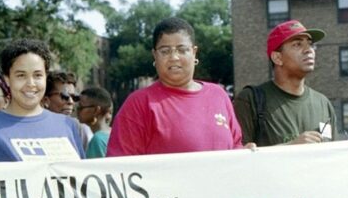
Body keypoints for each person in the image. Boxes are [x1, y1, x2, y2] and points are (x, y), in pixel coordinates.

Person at [106, 17, 243, 156]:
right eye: (165, 51)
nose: (174, 57)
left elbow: (236, 145)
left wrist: (248, 155)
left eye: (182, 50)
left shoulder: (218, 95)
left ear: (194, 52)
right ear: (154, 55)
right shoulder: (139, 104)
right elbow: (121, 167)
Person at [0, 39, 85, 162]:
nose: (30, 84)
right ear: (7, 79)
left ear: (46, 76)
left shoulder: (68, 125)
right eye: (21, 75)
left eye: (37, 75)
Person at [232, 20, 336, 146]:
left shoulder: (323, 103)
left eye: (310, 44)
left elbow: (334, 156)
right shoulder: (250, 100)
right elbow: (238, 156)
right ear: (277, 58)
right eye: (297, 44)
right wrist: (291, 146)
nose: (309, 50)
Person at [43, 71, 93, 149]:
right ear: (46, 100)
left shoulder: (78, 129)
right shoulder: (35, 129)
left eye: (74, 97)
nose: (71, 102)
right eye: (64, 96)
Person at [77, 87, 113, 158]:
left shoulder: (98, 140)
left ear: (96, 110)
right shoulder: (113, 133)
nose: (77, 111)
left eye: (81, 107)